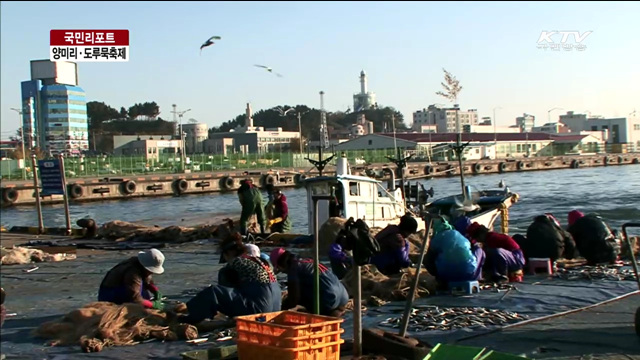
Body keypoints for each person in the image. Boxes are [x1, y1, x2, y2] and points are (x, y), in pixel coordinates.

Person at [179, 234, 281, 325]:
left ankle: (190, 318)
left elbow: (225, 290)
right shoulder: (260, 261)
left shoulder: (236, 262)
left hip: (259, 310)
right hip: (275, 309)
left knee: (213, 292)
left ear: (228, 253)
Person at [270, 248, 349, 317]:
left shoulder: (293, 268)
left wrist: (280, 311)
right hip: (343, 295)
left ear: (279, 266)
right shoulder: (306, 260)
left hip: (329, 297)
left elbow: (294, 298)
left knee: (300, 302)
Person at [424, 218, 485, 286]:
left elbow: (429, 257)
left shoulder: (437, 238)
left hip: (447, 276)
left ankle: (441, 281)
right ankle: (477, 278)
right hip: (468, 273)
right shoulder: (460, 235)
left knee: (430, 258)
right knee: (477, 251)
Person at [98, 249, 165, 310]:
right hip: (111, 295)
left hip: (122, 290)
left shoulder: (139, 264)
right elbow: (136, 299)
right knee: (141, 304)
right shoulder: (132, 273)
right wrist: (152, 304)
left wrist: (154, 289)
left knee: (145, 296)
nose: (152, 272)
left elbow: (147, 278)